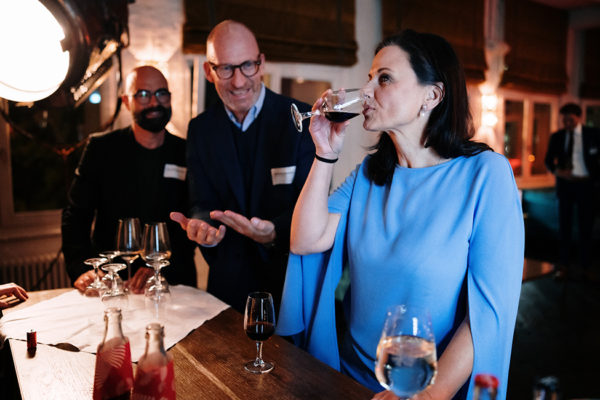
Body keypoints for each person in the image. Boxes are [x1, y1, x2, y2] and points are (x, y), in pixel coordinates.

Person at [276, 30, 524, 399]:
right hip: (353, 378)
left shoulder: (485, 175)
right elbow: (305, 239)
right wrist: (324, 153)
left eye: (385, 78)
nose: (368, 90)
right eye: (370, 78)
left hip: (427, 387)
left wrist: (427, 396)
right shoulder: (368, 174)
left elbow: (487, 314)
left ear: (432, 95)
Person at [170, 20, 315, 313]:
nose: (238, 81)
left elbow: (313, 207)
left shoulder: (300, 120)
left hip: (289, 287)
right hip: (227, 290)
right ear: (208, 71)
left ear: (261, 64)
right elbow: (201, 202)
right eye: (225, 68)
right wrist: (203, 227)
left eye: (247, 65)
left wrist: (273, 232)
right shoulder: (200, 129)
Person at [62, 65, 196, 293]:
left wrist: (161, 268)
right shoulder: (101, 149)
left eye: (161, 93)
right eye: (143, 95)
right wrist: (79, 267)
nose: (155, 102)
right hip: (112, 281)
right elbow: (76, 215)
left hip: (173, 281)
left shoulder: (187, 151)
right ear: (126, 101)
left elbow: (192, 220)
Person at [544, 103, 600, 280]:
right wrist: (558, 171)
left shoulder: (593, 135)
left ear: (579, 117)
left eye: (570, 120)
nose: (567, 123)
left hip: (587, 186)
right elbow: (547, 160)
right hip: (565, 187)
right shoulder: (557, 136)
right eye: (564, 120)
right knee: (564, 228)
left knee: (586, 229)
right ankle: (564, 265)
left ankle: (585, 267)